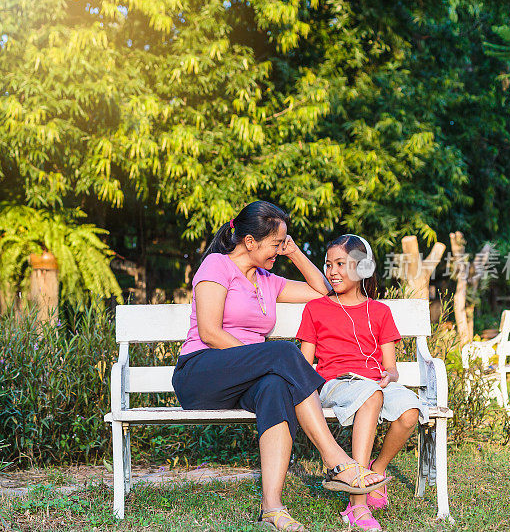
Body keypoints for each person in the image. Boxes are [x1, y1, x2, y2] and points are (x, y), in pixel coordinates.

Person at [172, 202, 390, 531]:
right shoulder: (217, 266)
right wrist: (261, 358)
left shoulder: (268, 280)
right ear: (249, 242)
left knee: (274, 387)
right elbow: (210, 333)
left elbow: (325, 291)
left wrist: (295, 253)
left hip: (243, 378)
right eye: (276, 243)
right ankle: (335, 459)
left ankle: (272, 507)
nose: (279, 249)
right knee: (283, 354)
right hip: (201, 371)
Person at [297, 234, 428, 532]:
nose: (332, 271)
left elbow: (391, 368)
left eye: (341, 264)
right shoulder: (316, 308)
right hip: (336, 384)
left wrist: (389, 377)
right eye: (328, 264)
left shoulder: (380, 312)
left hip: (374, 383)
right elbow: (304, 364)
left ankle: (375, 471)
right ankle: (357, 505)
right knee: (370, 396)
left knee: (410, 413)